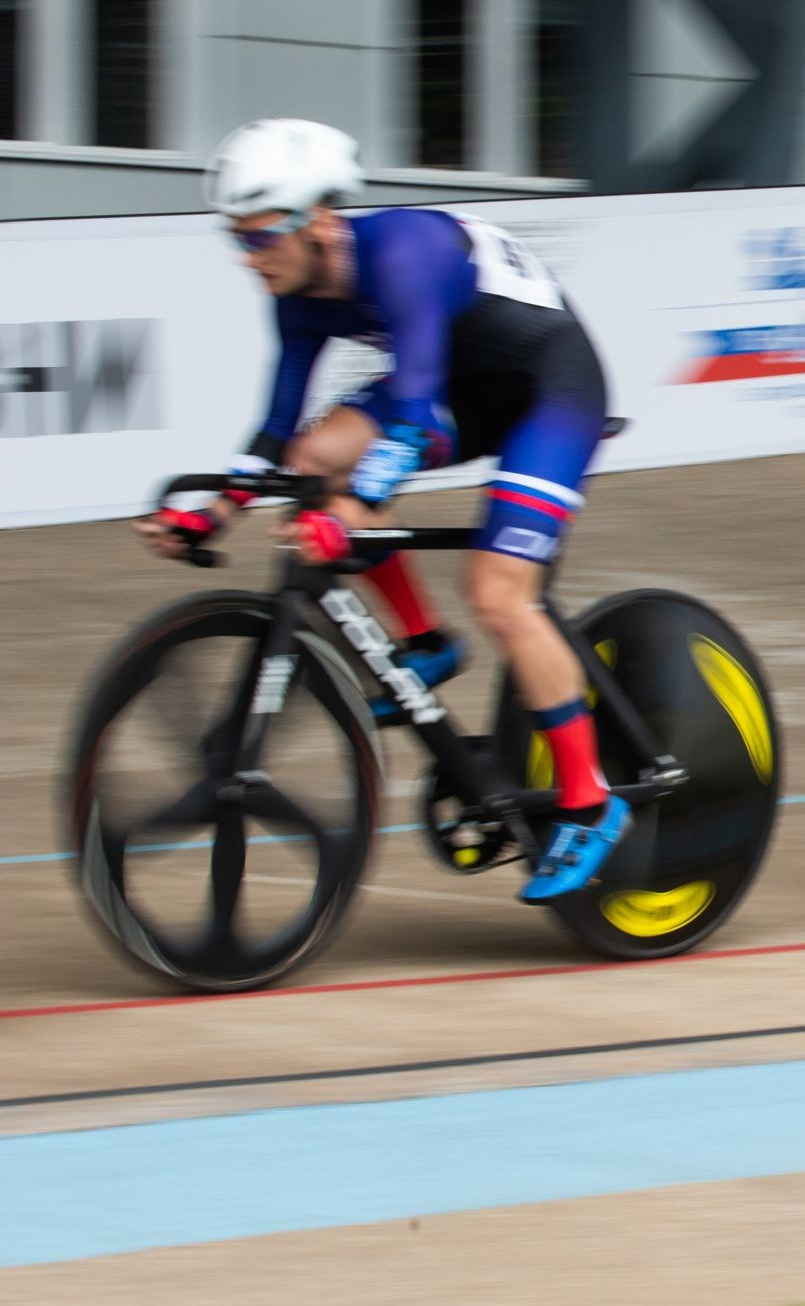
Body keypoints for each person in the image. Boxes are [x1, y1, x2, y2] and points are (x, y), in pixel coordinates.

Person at [136, 119, 626, 901]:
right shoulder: (295, 291)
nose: (248, 255)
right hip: (453, 394)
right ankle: (425, 644)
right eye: (239, 237)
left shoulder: (406, 251)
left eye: (261, 237)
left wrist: (356, 508)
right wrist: (214, 509)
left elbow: (413, 407)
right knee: (311, 461)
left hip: (548, 390)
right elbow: (275, 429)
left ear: (320, 222)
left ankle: (590, 801)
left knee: (500, 593)